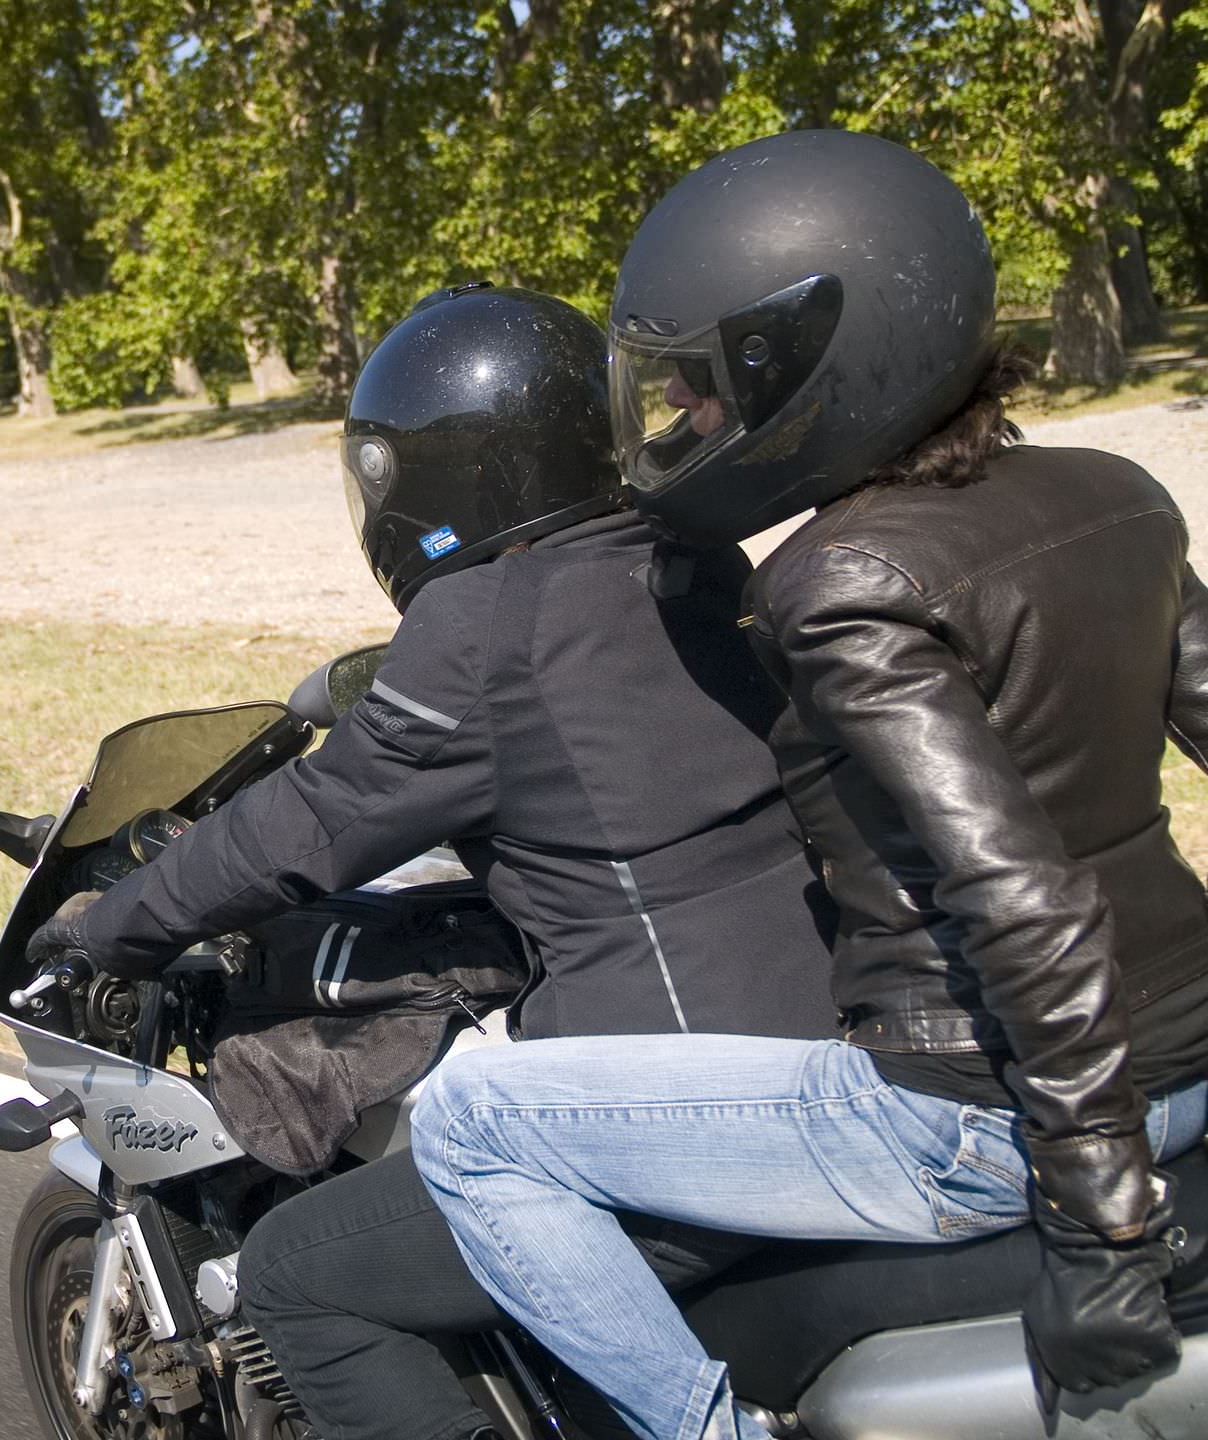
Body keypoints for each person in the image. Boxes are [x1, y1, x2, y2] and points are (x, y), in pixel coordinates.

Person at [412, 129, 1208, 1440]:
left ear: (821, 364)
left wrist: (1107, 1225)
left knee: (472, 1118)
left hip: (969, 1116)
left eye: (712, 387)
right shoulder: (1118, 496)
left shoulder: (839, 582)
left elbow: (1026, 902)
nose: (688, 422)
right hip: (1185, 1056)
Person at [28, 282, 839, 1440]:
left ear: (433, 478)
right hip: (836, 1043)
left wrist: (112, 925)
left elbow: (317, 814)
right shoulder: (693, 561)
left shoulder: (486, 626)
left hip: (675, 1102)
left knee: (301, 1276)